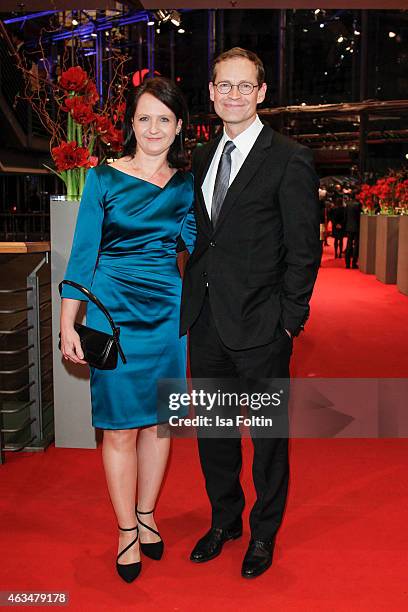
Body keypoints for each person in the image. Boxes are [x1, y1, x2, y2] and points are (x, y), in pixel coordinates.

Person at [180, 48, 321, 579]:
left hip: (264, 325)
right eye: (224, 85)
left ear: (262, 93)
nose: (233, 94)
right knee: (214, 433)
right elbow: (204, 237)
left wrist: (289, 321)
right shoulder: (201, 156)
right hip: (207, 320)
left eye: (245, 86)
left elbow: (304, 251)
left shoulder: (289, 157)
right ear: (212, 93)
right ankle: (225, 520)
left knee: (266, 439)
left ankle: (264, 532)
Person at [59, 77, 196, 583]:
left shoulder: (185, 186)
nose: (154, 128)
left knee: (158, 425)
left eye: (165, 118)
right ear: (130, 125)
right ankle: (124, 530)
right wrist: (68, 321)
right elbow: (82, 252)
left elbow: (200, 247)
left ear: (178, 126)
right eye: (145, 118)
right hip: (111, 315)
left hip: (166, 318)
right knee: (119, 427)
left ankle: (146, 515)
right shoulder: (102, 178)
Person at [344, 193, 362, 269]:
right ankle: (354, 263)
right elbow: (359, 217)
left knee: (349, 244)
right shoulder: (358, 204)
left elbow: (345, 216)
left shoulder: (348, 204)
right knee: (356, 246)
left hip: (349, 226)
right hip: (357, 227)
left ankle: (347, 263)